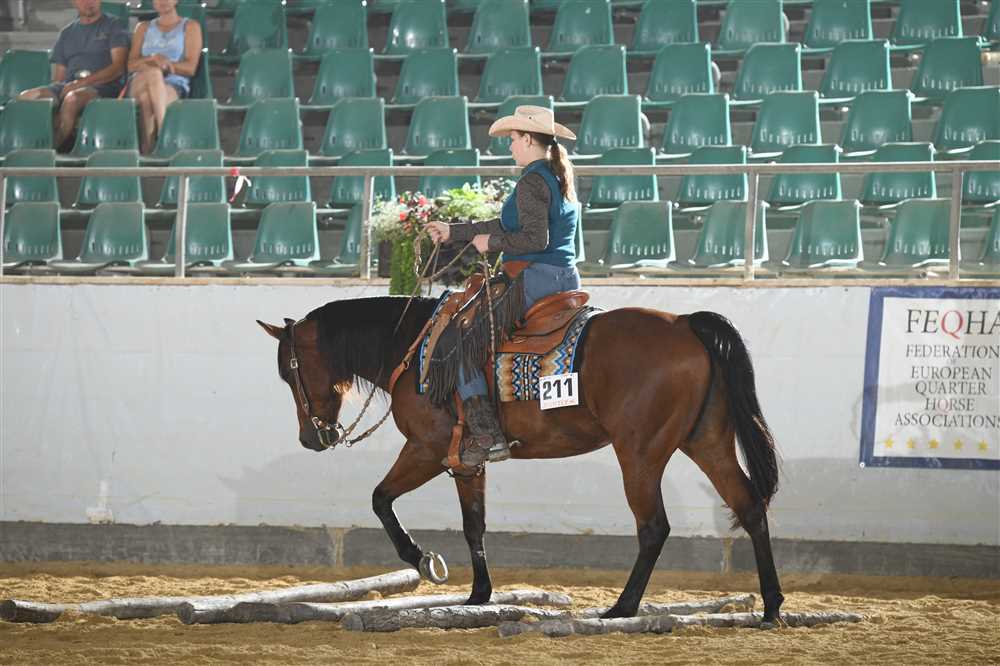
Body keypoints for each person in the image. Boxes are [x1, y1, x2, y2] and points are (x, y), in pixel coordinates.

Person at [426, 105, 581, 466]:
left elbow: (534, 239)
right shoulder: (555, 175)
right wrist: (455, 232)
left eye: (512, 139)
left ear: (527, 139)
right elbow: (509, 224)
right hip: (563, 276)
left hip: (535, 277)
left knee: (460, 344)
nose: (509, 146)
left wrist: (491, 244)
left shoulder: (531, 181)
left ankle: (488, 436)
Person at [17, 0, 130, 151]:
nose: (88, 2)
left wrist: (81, 83)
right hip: (69, 85)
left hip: (103, 86)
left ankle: (50, 151)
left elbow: (118, 68)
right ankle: (24, 147)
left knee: (72, 99)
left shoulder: (113, 26)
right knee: (26, 97)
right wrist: (55, 101)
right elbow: (59, 78)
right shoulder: (67, 33)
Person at [126, 0, 203, 154]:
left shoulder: (190, 26)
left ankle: (147, 151)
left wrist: (166, 65)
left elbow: (191, 68)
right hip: (140, 81)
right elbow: (131, 65)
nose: (163, 1)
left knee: (147, 99)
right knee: (153, 72)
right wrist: (153, 59)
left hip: (173, 84)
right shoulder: (143, 27)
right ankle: (164, 134)